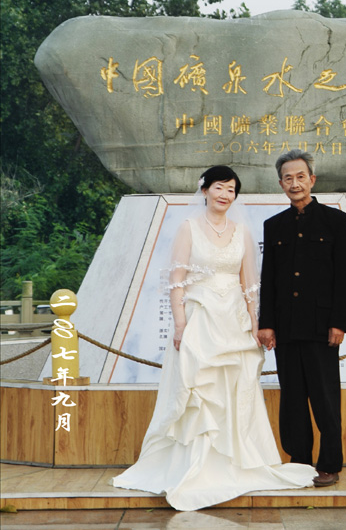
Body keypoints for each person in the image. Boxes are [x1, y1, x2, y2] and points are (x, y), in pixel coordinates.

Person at [112, 165, 316, 511]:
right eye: (219, 187)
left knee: (236, 390)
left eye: (231, 190)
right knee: (200, 393)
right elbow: (177, 281)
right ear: (204, 190)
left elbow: (250, 284)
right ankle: (197, 463)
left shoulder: (242, 231)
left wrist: (255, 323)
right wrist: (180, 325)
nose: (225, 195)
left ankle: (238, 460)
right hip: (200, 319)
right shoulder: (188, 228)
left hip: (234, 322)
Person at [258, 149, 346, 487]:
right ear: (281, 183)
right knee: (292, 398)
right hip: (285, 327)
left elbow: (344, 277)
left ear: (312, 180)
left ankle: (329, 464)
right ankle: (299, 461)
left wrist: (340, 322)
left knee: (325, 398)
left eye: (301, 177)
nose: (295, 183)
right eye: (288, 178)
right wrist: (266, 324)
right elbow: (269, 279)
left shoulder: (337, 222)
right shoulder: (274, 226)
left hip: (321, 327)